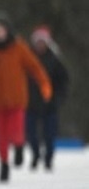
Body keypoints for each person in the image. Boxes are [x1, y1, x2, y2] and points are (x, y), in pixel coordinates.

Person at [0, 11, 51, 183]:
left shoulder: (19, 47)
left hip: (17, 100)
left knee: (16, 131)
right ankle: (3, 164)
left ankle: (18, 147)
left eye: (1, 30)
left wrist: (44, 84)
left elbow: (34, 67)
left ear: (8, 31)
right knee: (1, 136)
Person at [24, 25, 69, 171]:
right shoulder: (27, 58)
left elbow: (63, 80)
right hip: (31, 102)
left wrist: (59, 97)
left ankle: (49, 158)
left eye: (42, 42)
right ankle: (35, 155)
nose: (40, 45)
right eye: (38, 42)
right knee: (31, 133)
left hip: (50, 103)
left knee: (50, 134)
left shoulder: (55, 60)